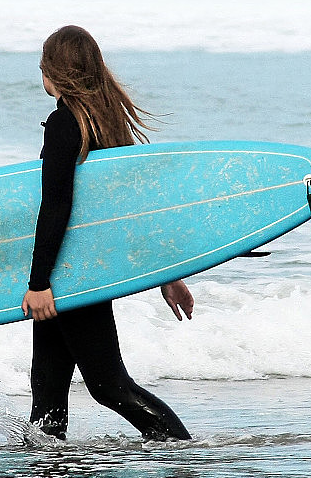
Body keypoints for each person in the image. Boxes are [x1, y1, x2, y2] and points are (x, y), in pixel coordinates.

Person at [21, 25, 194, 441]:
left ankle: (182, 452)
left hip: (71, 274)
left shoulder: (65, 124)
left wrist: (40, 282)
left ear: (53, 72)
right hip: (81, 267)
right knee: (46, 393)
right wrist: (167, 275)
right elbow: (131, 211)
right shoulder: (106, 123)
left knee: (109, 386)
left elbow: (56, 205)